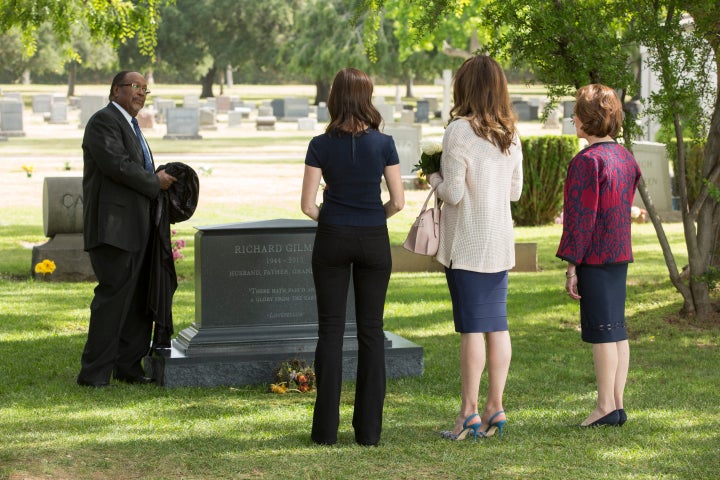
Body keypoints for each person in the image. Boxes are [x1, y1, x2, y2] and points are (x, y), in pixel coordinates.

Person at [300, 67, 405, 446]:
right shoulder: (385, 143)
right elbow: (398, 201)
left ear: (334, 99)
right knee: (371, 332)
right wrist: (374, 215)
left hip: (332, 237)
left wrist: (332, 216)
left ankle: (325, 432)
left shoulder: (319, 144)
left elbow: (307, 206)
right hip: (373, 238)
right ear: (367, 98)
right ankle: (369, 433)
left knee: (329, 331)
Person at [426, 55, 523, 442]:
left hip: (466, 243)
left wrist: (431, 175)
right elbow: (514, 191)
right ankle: (494, 407)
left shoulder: (459, 131)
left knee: (471, 330)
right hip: (499, 242)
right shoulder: (511, 134)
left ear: (464, 87)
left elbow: (451, 192)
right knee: (497, 326)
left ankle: (468, 412)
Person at [77, 71, 176, 387]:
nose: (141, 93)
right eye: (135, 87)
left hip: (140, 225)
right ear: (115, 90)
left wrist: (158, 175)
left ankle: (129, 367)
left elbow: (135, 165)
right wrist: (153, 181)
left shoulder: (133, 126)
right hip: (113, 227)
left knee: (137, 300)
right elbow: (115, 165)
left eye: (145, 89)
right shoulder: (103, 122)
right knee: (113, 299)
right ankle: (94, 374)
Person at [557, 83, 641, 427]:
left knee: (604, 331)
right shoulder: (626, 158)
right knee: (617, 329)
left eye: (577, 113)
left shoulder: (586, 161)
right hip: (619, 252)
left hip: (595, 256)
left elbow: (581, 218)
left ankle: (605, 405)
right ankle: (617, 403)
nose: (574, 117)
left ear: (585, 121)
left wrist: (572, 266)